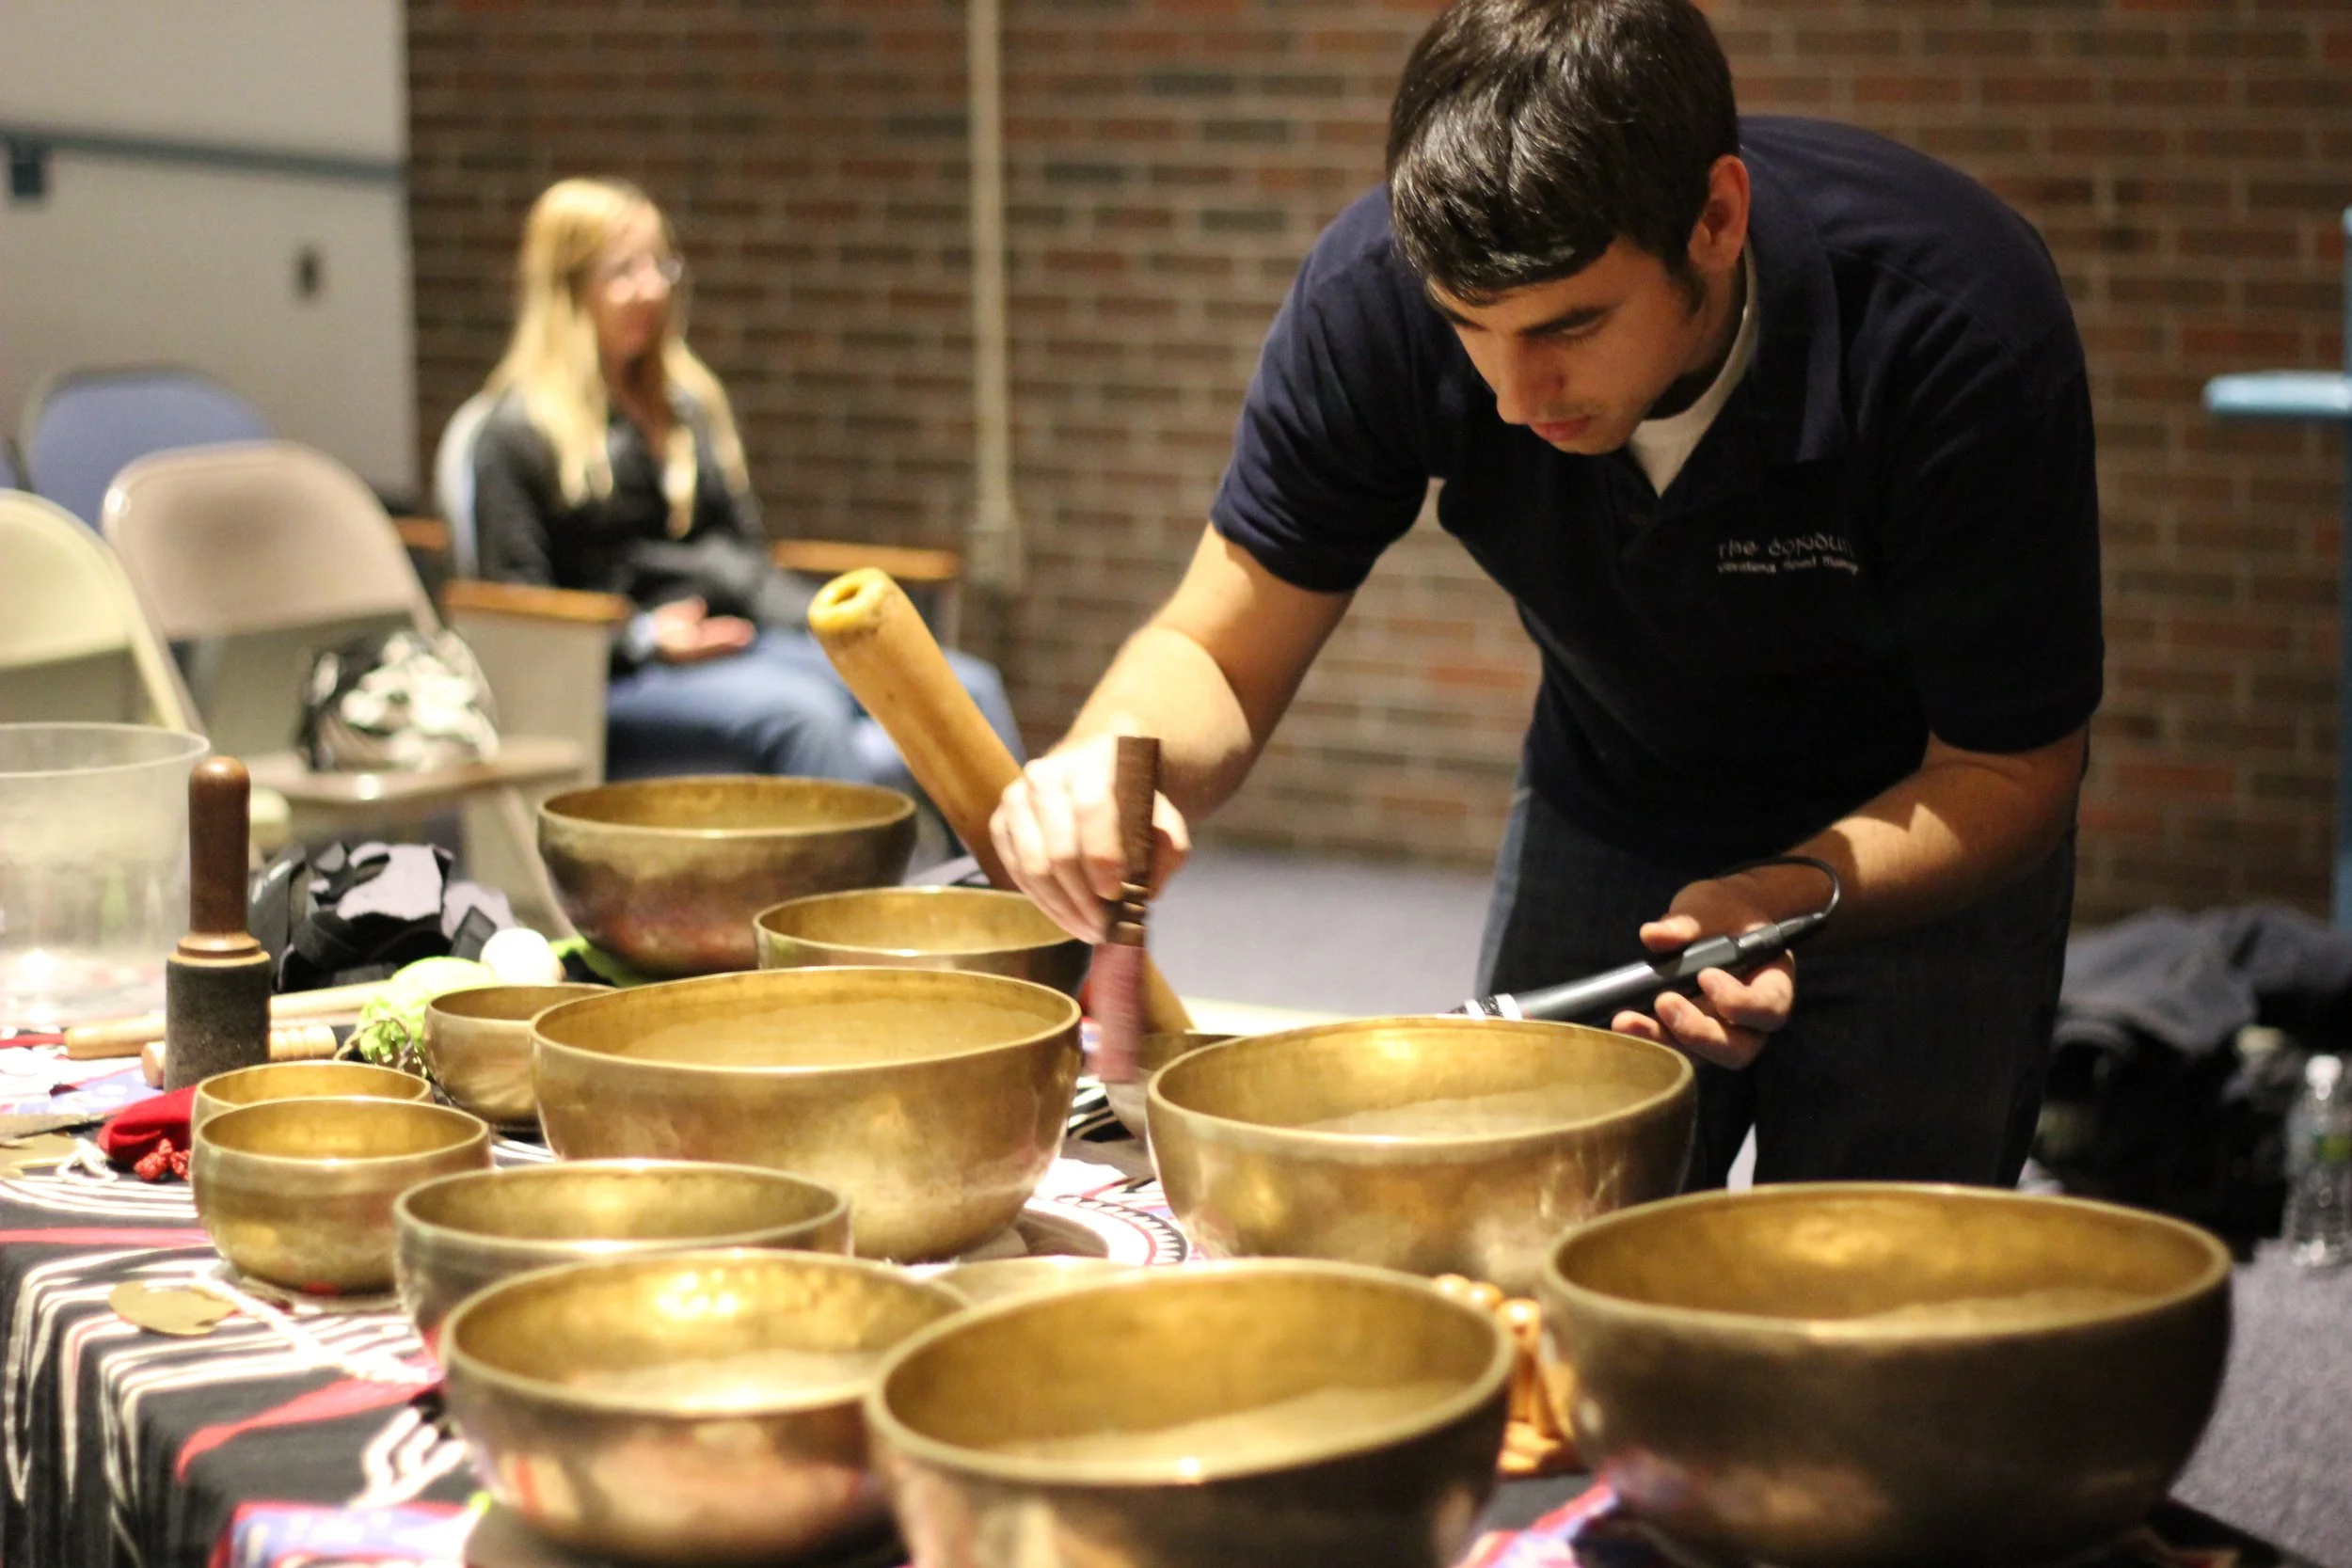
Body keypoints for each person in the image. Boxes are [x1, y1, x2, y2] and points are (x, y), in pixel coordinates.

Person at [989, 0, 2102, 1190]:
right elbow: (1218, 647)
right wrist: (1108, 762)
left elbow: (2009, 766)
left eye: (1572, 323)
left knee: (1888, 1312)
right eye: (1473, 328)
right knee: (1534, 1247)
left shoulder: (1953, 321)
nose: (1517, 397)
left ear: (1716, 219)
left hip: (1921, 827)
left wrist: (1791, 889)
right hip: (1612, 790)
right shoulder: (1377, 295)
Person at [470, 177, 1022, 787]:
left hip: (737, 640)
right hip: (619, 677)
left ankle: (1016, 879)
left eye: (660, 265)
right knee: (805, 717)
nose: (652, 288)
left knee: (959, 685)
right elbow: (518, 611)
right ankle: (857, 888)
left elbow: (744, 555)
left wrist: (827, 630)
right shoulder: (514, 434)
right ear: (567, 288)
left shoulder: (688, 404)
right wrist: (647, 637)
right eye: (623, 271)